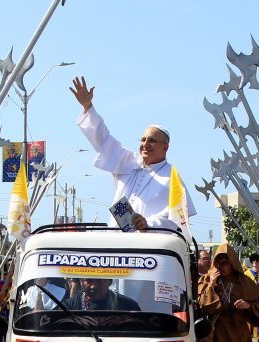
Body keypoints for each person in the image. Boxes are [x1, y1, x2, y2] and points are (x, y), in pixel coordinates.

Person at [70, 76, 197, 233]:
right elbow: (103, 140)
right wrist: (88, 106)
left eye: (152, 141)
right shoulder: (128, 161)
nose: (145, 144)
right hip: (115, 241)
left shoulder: (172, 178)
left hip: (149, 245)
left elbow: (178, 221)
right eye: (143, 140)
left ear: (165, 147)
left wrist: (149, 224)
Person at [63, 278, 141, 311]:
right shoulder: (68, 307)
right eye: (89, 281)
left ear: (110, 282)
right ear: (81, 282)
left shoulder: (129, 306)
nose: (94, 286)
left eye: (99, 280)